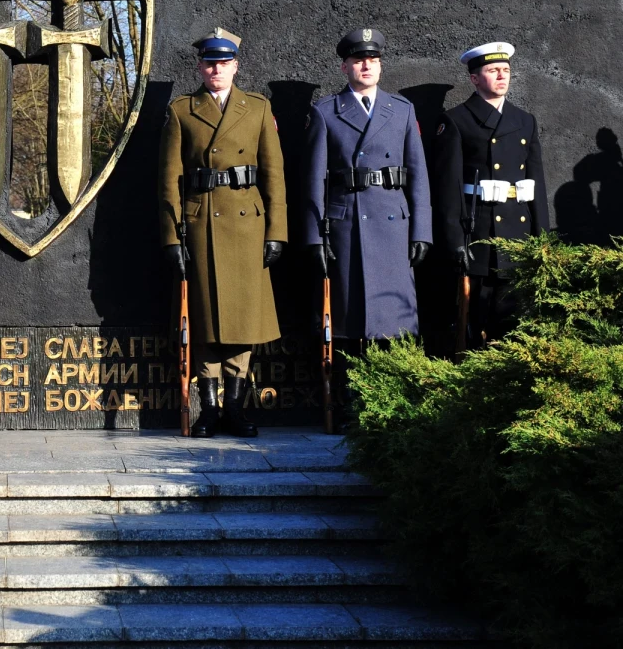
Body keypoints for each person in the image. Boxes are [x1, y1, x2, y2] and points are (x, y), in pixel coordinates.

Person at [157, 28, 287, 438]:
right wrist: (171, 237)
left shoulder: (258, 108)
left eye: (224, 63)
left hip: (248, 224)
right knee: (206, 316)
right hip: (201, 223)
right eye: (209, 63)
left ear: (235, 66)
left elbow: (274, 175)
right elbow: (168, 180)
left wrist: (277, 232)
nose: (216, 69)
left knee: (242, 319)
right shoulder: (182, 110)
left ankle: (235, 405)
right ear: (200, 67)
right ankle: (209, 408)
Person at [302, 28, 432, 426]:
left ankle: (391, 403)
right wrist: (313, 236)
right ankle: (349, 405)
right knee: (347, 322)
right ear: (345, 66)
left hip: (393, 225)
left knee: (393, 322)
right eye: (358, 60)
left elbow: (418, 174)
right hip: (347, 228)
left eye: (372, 60)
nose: (366, 66)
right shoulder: (327, 111)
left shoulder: (402, 110)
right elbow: (314, 180)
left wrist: (421, 230)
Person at [431, 42, 548, 345]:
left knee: (513, 327)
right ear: (474, 78)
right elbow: (448, 189)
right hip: (479, 235)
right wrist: (455, 242)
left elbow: (536, 183)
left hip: (517, 236)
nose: (502, 76)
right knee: (473, 326)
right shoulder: (456, 120)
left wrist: (542, 238)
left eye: (506, 70)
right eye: (493, 70)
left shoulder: (525, 120)